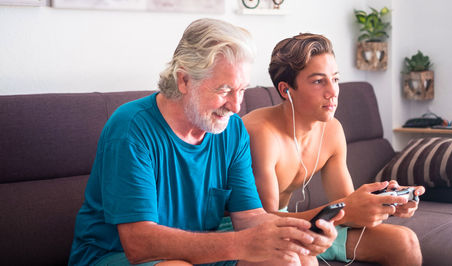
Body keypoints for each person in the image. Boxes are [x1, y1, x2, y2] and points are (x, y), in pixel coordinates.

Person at [68, 19, 344, 266]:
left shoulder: (232, 130)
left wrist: (302, 233)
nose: (236, 106)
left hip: (203, 252)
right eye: (224, 90)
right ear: (184, 80)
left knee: (296, 259)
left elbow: (249, 217)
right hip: (115, 256)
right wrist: (241, 244)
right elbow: (139, 244)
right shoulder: (132, 128)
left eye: (242, 90)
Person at [242, 33, 425, 266]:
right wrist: (347, 210)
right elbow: (264, 221)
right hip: (249, 228)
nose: (333, 92)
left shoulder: (332, 130)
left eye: (335, 79)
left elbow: (347, 209)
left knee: (404, 242)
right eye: (319, 81)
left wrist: (383, 204)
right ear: (286, 89)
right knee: (303, 260)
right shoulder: (261, 132)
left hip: (300, 224)